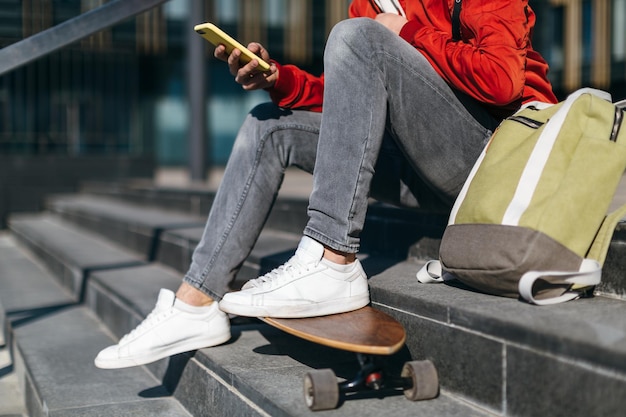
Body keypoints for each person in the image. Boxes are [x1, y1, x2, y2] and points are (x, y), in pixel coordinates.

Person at [95, 0, 556, 369]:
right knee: (267, 127)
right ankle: (195, 304)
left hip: (496, 160)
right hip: (426, 168)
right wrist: (278, 79)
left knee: (357, 37)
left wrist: (406, 32)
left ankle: (332, 261)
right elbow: (350, 102)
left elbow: (502, 81)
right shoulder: (366, 9)